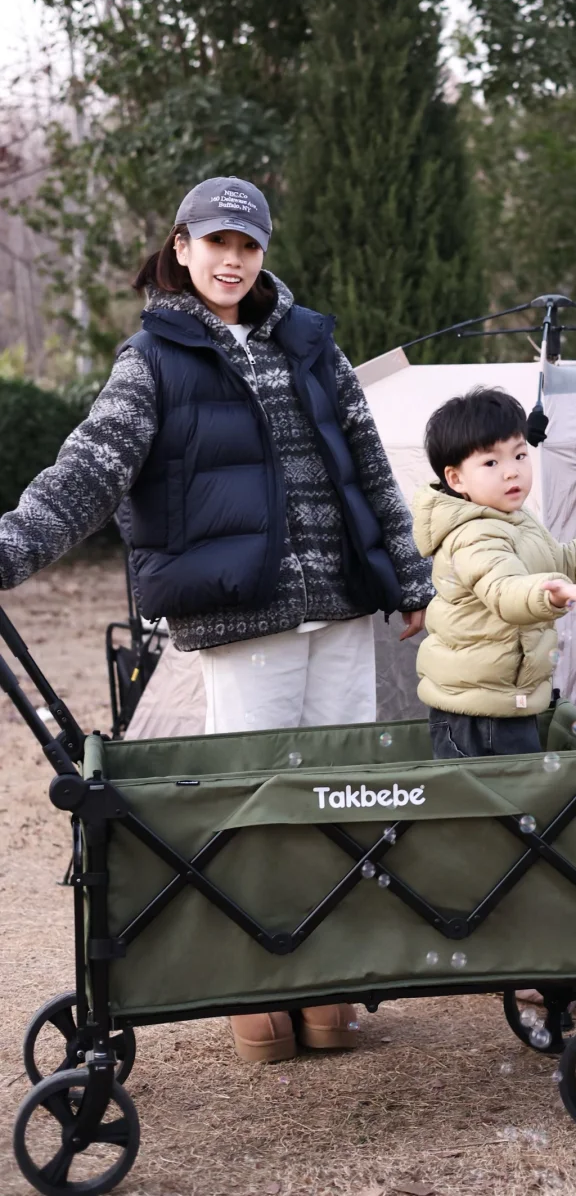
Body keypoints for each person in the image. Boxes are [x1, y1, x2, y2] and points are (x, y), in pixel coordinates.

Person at [0, 176, 433, 1064]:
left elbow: (371, 468)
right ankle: (255, 984)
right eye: (216, 243)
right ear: (182, 247)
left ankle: (329, 980)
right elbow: (90, 470)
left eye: (248, 245)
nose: (232, 260)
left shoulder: (313, 345)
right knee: (256, 809)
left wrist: (407, 571)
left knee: (341, 801)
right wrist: (8, 547)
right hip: (245, 621)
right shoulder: (152, 357)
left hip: (345, 609)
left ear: (263, 254)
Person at [411, 387, 576, 758]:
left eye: (520, 455)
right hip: (478, 711)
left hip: (506, 698)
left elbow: (561, 562)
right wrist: (551, 592)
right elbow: (505, 589)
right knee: (499, 807)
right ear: (456, 479)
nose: (512, 471)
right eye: (491, 463)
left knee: (517, 800)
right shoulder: (473, 534)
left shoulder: (515, 519)